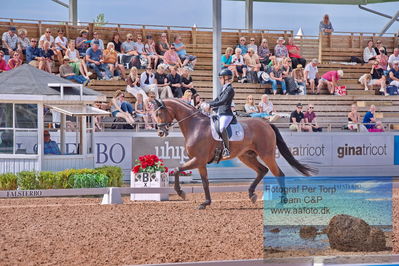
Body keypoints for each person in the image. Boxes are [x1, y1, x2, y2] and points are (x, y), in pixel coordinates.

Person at [201, 69, 235, 159]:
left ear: (226, 78)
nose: (220, 79)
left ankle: (227, 149)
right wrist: (206, 103)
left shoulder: (230, 89)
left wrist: (209, 105)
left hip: (226, 114)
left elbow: (223, 101)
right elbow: (216, 100)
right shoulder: (223, 88)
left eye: (221, 78)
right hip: (219, 113)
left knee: (221, 127)